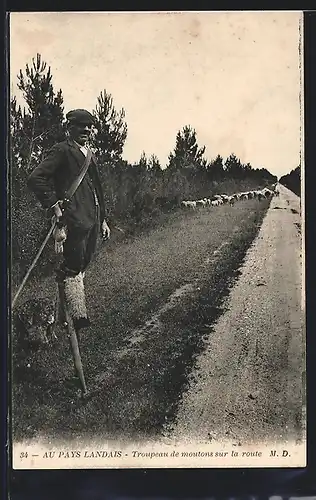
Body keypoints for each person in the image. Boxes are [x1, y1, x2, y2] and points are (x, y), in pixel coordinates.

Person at [27, 108, 111, 282]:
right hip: (73, 220)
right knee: (73, 269)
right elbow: (36, 178)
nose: (86, 130)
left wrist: (102, 219)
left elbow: (98, 189)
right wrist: (54, 207)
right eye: (81, 126)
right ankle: (73, 308)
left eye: (89, 126)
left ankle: (72, 308)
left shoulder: (89, 154)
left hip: (92, 219)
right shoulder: (62, 150)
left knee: (83, 266)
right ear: (69, 127)